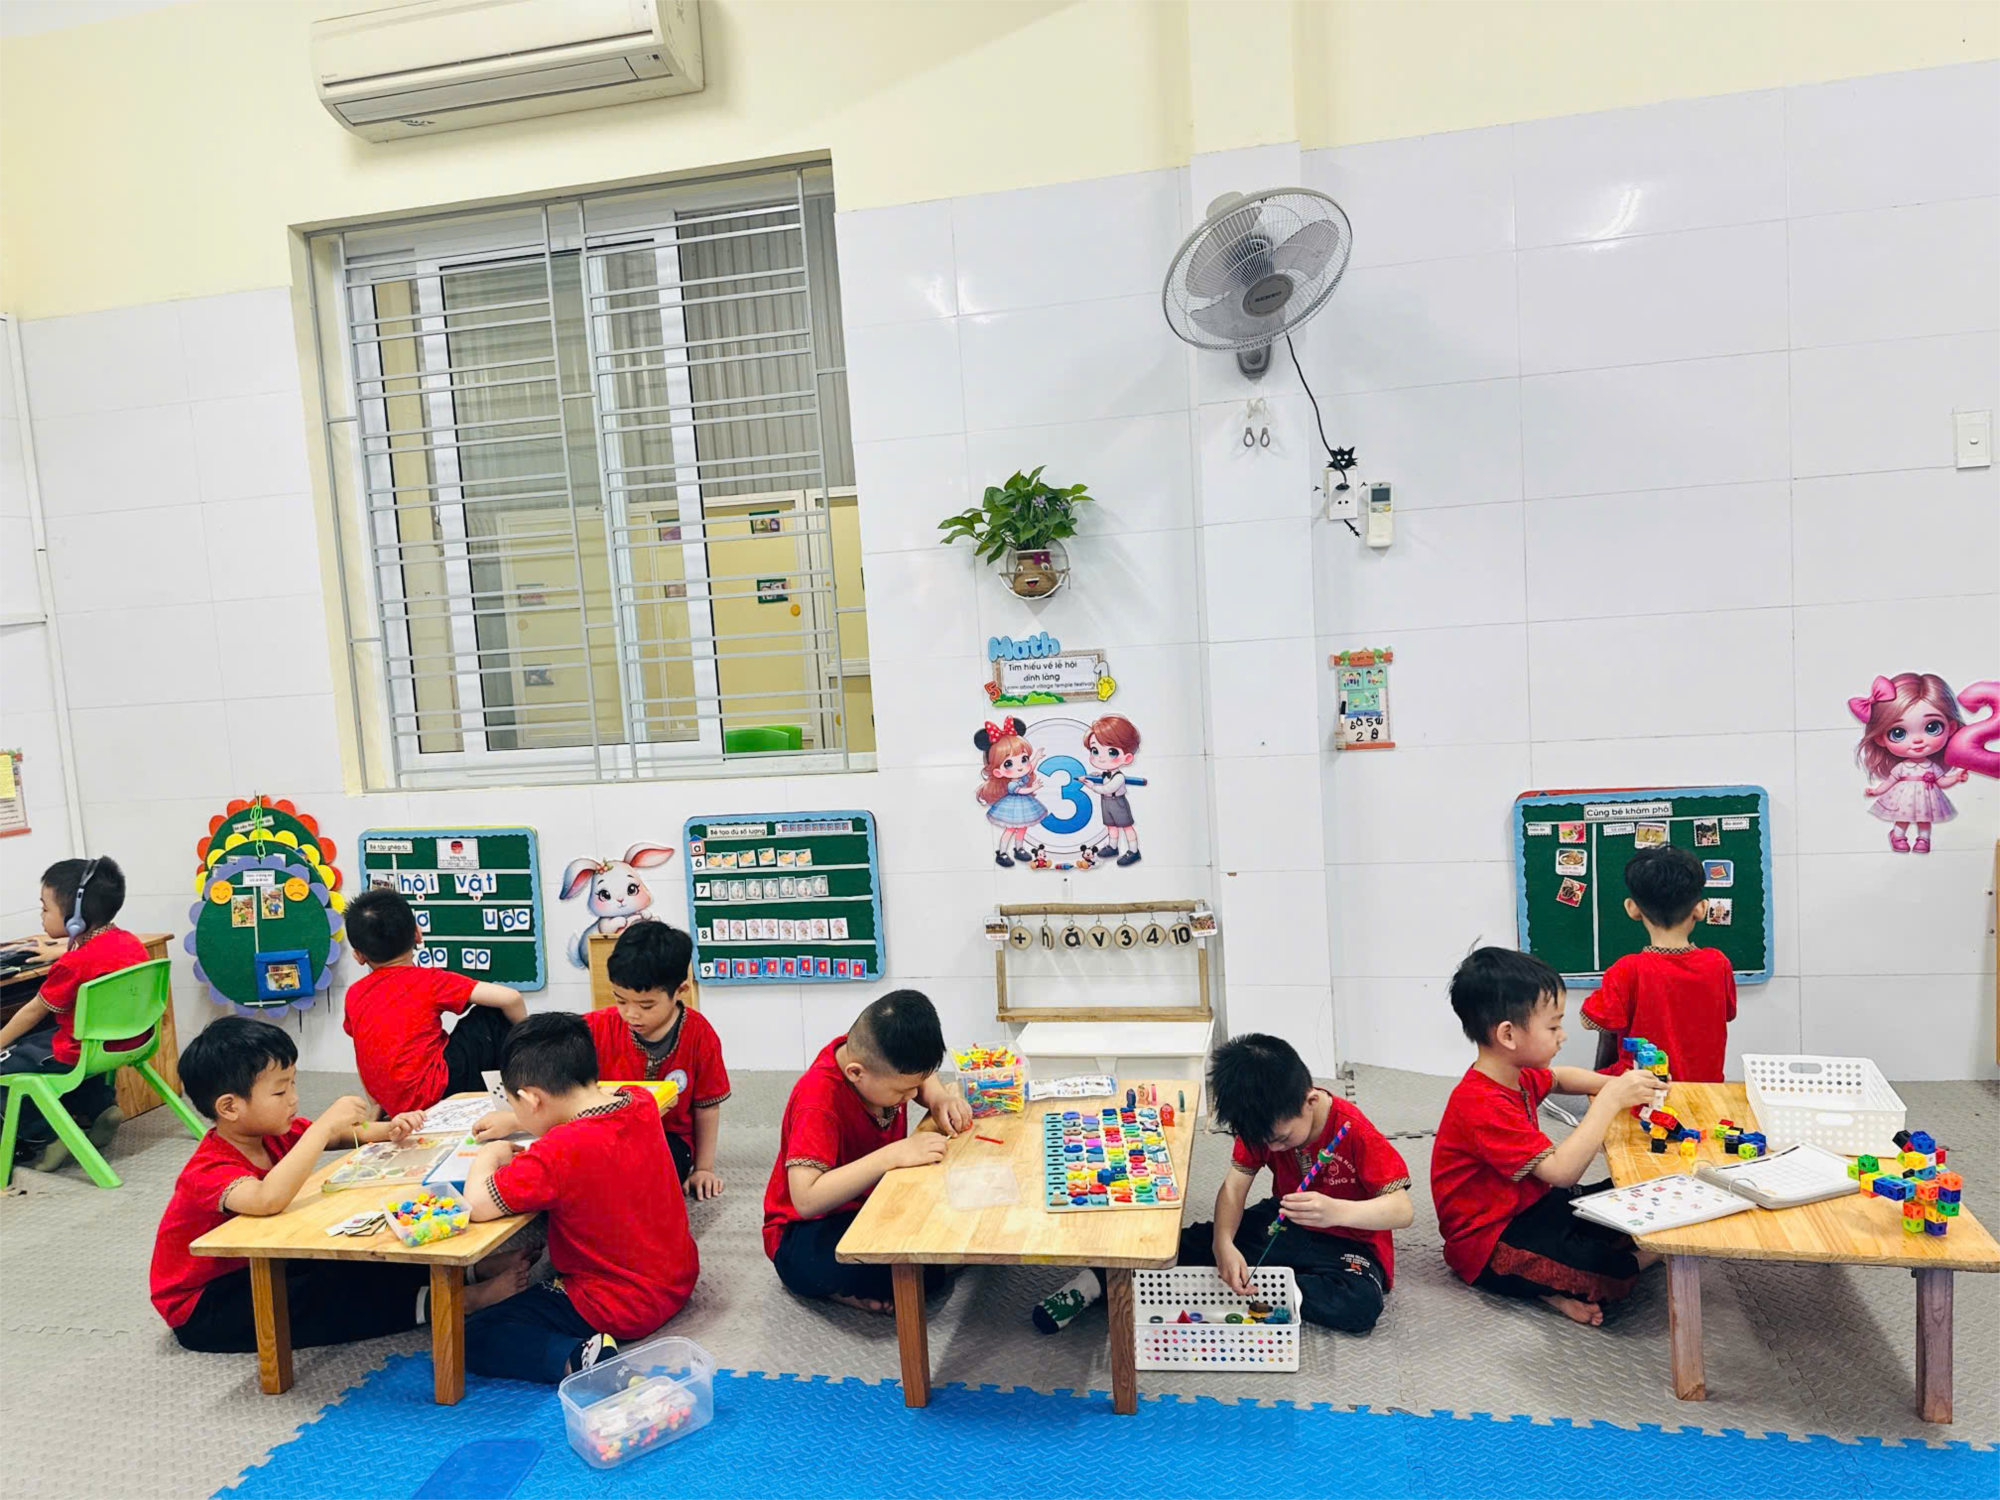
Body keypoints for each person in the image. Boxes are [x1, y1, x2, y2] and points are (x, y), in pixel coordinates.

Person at [150, 1017, 528, 1351]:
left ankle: (465, 1273)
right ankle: (456, 1302)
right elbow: (266, 1198)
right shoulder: (208, 1168)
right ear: (229, 1107)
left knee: (356, 1256)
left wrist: (389, 1129)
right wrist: (324, 1126)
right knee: (323, 1296)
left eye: (293, 1084)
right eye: (280, 1092)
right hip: (205, 1304)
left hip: (263, 1263)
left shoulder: (272, 1133)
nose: (294, 1099)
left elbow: (343, 1135)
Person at [1033, 1034, 1412, 1335]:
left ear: (1310, 1100)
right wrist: (1223, 1244)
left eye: (1281, 1139)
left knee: (1359, 1305)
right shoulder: (1260, 1126)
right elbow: (1234, 1187)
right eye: (1265, 1142)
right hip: (1286, 1223)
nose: (1272, 1149)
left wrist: (1337, 1211)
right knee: (1187, 1244)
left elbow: (1401, 1210)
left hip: (1350, 1243)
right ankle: (1093, 1282)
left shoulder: (1354, 1130)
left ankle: (1272, 1286)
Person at [1432, 947, 1668, 1325]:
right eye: (1553, 1027)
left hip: (1535, 1206)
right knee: (1610, 1270)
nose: (1562, 1036)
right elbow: (1561, 1172)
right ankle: (1569, 1281)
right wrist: (1610, 1101)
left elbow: (1560, 1077)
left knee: (1632, 1195)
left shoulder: (1516, 1073)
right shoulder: (1479, 1102)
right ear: (1508, 1034)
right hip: (1489, 1240)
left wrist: (1615, 1084)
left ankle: (1551, 1282)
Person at [461, 1012, 699, 1382]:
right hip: (676, 1277)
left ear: (531, 1098)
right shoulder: (639, 1101)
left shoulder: (558, 1151)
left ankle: (580, 1358)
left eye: (513, 1104)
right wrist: (519, 1120)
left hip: (619, 1303)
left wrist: (489, 1155)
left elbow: (476, 1205)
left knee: (473, 1335)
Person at [474, 922, 731, 1197]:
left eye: (646, 1005)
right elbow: (563, 1095)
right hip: (600, 1133)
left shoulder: (699, 1034)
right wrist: (517, 1119)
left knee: (639, 1181)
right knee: (561, 1168)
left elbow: (707, 1107)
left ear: (680, 990)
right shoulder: (595, 1028)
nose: (631, 1014)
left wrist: (704, 1168)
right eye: (621, 1000)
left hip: (667, 1139)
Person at [762, 990, 971, 1311]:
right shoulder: (818, 1102)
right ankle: (842, 1290)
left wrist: (939, 1098)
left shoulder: (872, 1056)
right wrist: (893, 1155)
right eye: (903, 1091)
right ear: (855, 1073)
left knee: (955, 1210)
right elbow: (805, 1199)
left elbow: (920, 1079)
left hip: (872, 1201)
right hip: (809, 1228)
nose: (913, 1096)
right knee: (912, 1270)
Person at [0, 857, 150, 1170]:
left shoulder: (73, 965)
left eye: (45, 908)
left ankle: (47, 1137)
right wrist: (59, 950)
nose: (41, 916)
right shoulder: (129, 941)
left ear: (75, 918)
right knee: (41, 1042)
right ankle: (101, 1108)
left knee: (10, 1060)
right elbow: (95, 952)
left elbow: (33, 1011)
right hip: (128, 1041)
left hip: (81, 1051)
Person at [341, 888, 526, 1116]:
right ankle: (528, 1084)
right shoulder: (429, 980)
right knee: (492, 1015)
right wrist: (532, 1044)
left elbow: (364, 1053)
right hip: (438, 1093)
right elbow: (511, 998)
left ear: (359, 956)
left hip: (394, 1105)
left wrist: (377, 1104)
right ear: (417, 934)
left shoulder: (354, 993)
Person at [1584, 845, 1737, 1082]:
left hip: (1643, 1090)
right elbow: (1728, 1013)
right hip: (1705, 1089)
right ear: (1700, 909)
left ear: (1632, 909)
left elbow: (1590, 1020)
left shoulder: (1627, 969)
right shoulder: (1719, 963)